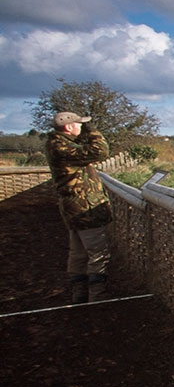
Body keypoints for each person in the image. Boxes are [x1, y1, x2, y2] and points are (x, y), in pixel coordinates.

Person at [44, 111, 113, 303]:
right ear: (68, 127)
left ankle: (80, 294)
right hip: (84, 209)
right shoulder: (61, 147)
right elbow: (100, 151)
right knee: (98, 252)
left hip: (73, 208)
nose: (81, 127)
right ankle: (97, 297)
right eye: (79, 124)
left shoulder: (57, 145)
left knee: (78, 252)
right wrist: (93, 132)